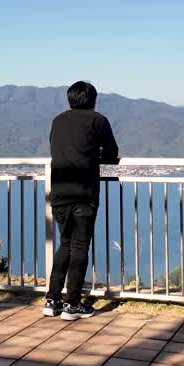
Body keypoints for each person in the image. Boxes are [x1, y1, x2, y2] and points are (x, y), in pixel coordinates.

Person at [44, 81, 120, 320]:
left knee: (64, 244)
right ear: (93, 99)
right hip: (84, 194)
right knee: (79, 248)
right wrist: (95, 155)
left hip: (59, 192)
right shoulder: (98, 120)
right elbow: (111, 153)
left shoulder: (58, 120)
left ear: (70, 98)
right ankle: (73, 304)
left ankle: (52, 299)